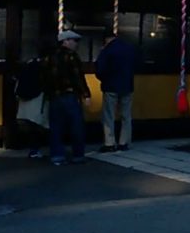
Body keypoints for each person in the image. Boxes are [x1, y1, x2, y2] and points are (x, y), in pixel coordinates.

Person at [42, 30, 91, 165]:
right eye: (74, 41)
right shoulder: (71, 56)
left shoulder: (49, 57)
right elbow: (78, 77)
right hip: (70, 95)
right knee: (76, 126)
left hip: (54, 96)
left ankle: (57, 155)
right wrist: (86, 94)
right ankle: (78, 155)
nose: (76, 44)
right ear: (66, 41)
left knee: (56, 127)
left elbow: (44, 77)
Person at [95, 27, 137, 152]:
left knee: (109, 116)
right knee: (126, 116)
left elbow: (100, 69)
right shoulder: (129, 48)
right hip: (127, 86)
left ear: (106, 39)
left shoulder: (107, 50)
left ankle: (109, 143)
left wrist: (104, 79)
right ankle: (124, 142)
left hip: (110, 86)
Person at [15, 45, 52, 159]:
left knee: (31, 126)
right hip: (38, 98)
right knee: (39, 125)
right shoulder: (45, 67)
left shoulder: (29, 64)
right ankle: (37, 150)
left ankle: (33, 150)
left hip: (25, 97)